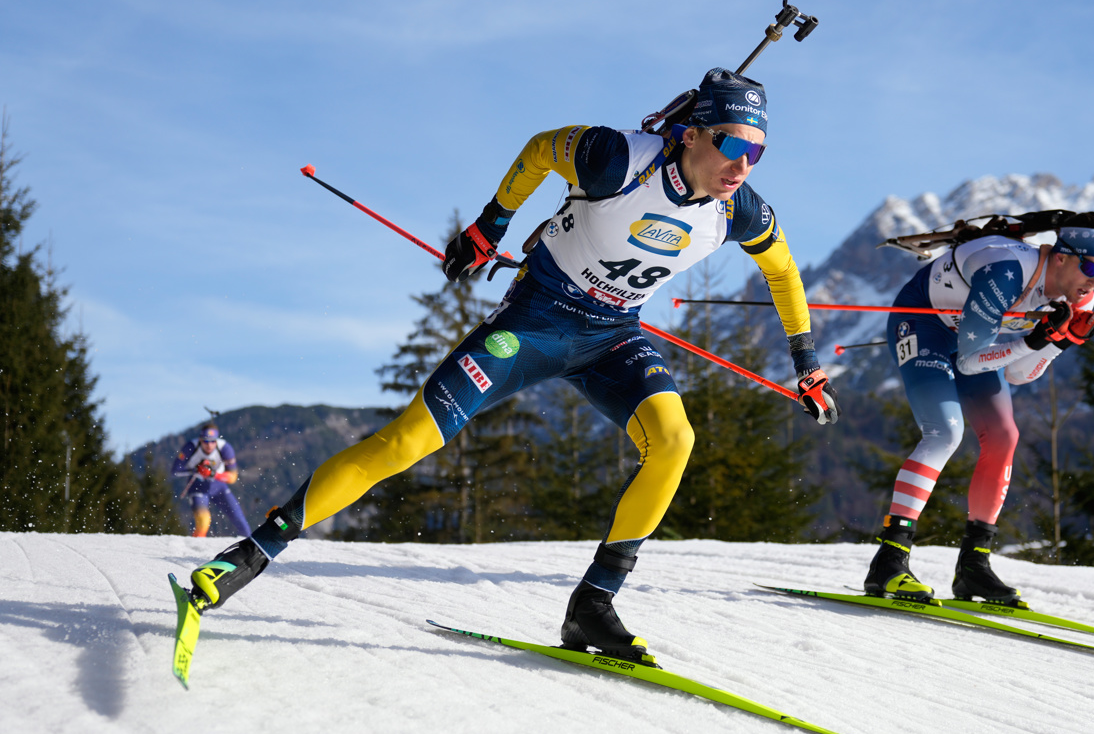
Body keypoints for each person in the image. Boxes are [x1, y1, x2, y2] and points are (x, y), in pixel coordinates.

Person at [185, 68, 840, 665]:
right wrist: (488, 226)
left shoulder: (738, 210)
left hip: (612, 337)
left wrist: (806, 364)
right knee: (407, 440)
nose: (742, 165)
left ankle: (592, 605)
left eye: (757, 151)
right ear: (691, 134)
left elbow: (783, 272)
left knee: (674, 440)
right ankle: (251, 552)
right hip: (534, 323)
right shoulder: (616, 159)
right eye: (732, 145)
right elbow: (537, 148)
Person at [861, 213, 1094, 606]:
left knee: (1003, 436)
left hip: (979, 342)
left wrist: (1057, 343)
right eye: (1091, 267)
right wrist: (1033, 341)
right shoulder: (1006, 271)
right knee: (945, 432)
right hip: (924, 324)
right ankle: (889, 562)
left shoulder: (1081, 297)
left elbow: (1016, 374)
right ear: (1062, 257)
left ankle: (973, 568)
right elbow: (969, 361)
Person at [172, 424, 250, 538]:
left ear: (216, 440)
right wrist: (196, 469)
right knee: (203, 521)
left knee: (239, 519)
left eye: (213, 441)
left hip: (220, 487)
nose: (209, 445)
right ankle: (195, 548)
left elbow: (233, 477)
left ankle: (253, 547)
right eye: (205, 441)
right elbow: (175, 471)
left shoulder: (225, 448)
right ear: (200, 440)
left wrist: (213, 474)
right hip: (197, 487)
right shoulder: (191, 447)